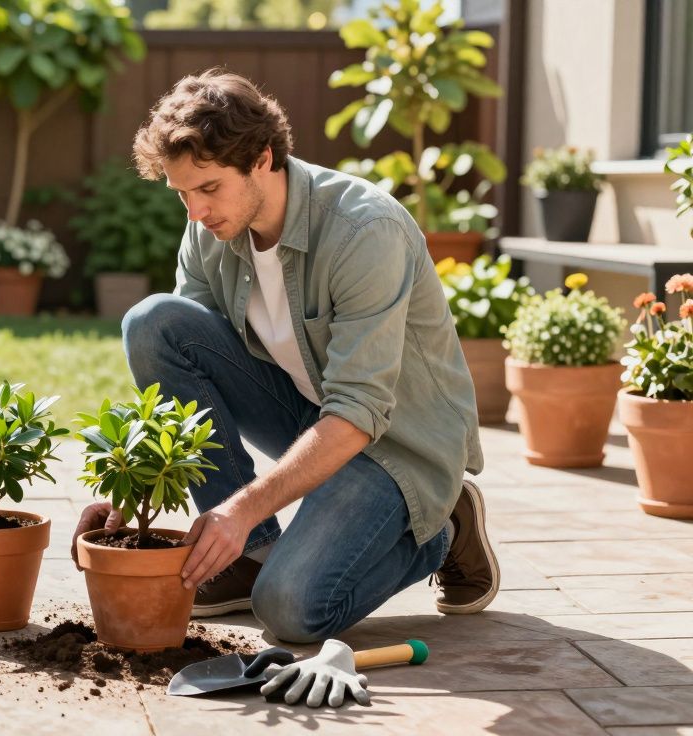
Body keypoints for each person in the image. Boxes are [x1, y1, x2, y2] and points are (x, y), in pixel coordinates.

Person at [70, 68, 499, 644]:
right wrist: (131, 486)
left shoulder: (363, 231)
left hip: (396, 444)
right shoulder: (211, 231)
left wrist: (239, 507)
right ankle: (247, 556)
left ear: (262, 160)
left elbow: (359, 410)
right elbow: (183, 370)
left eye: (209, 188)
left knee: (291, 611)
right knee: (155, 323)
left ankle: (443, 526)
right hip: (308, 414)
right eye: (183, 195)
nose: (195, 211)